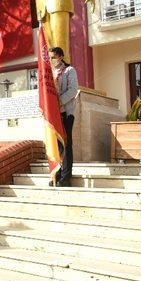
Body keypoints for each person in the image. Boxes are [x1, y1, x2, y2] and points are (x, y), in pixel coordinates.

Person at [50, 46, 78, 187]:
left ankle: (66, 176)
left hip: (66, 112)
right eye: (50, 57)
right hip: (53, 114)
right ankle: (58, 172)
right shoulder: (49, 72)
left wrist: (58, 102)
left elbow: (73, 90)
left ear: (61, 56)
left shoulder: (69, 71)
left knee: (66, 143)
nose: (52, 60)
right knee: (57, 145)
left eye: (54, 57)